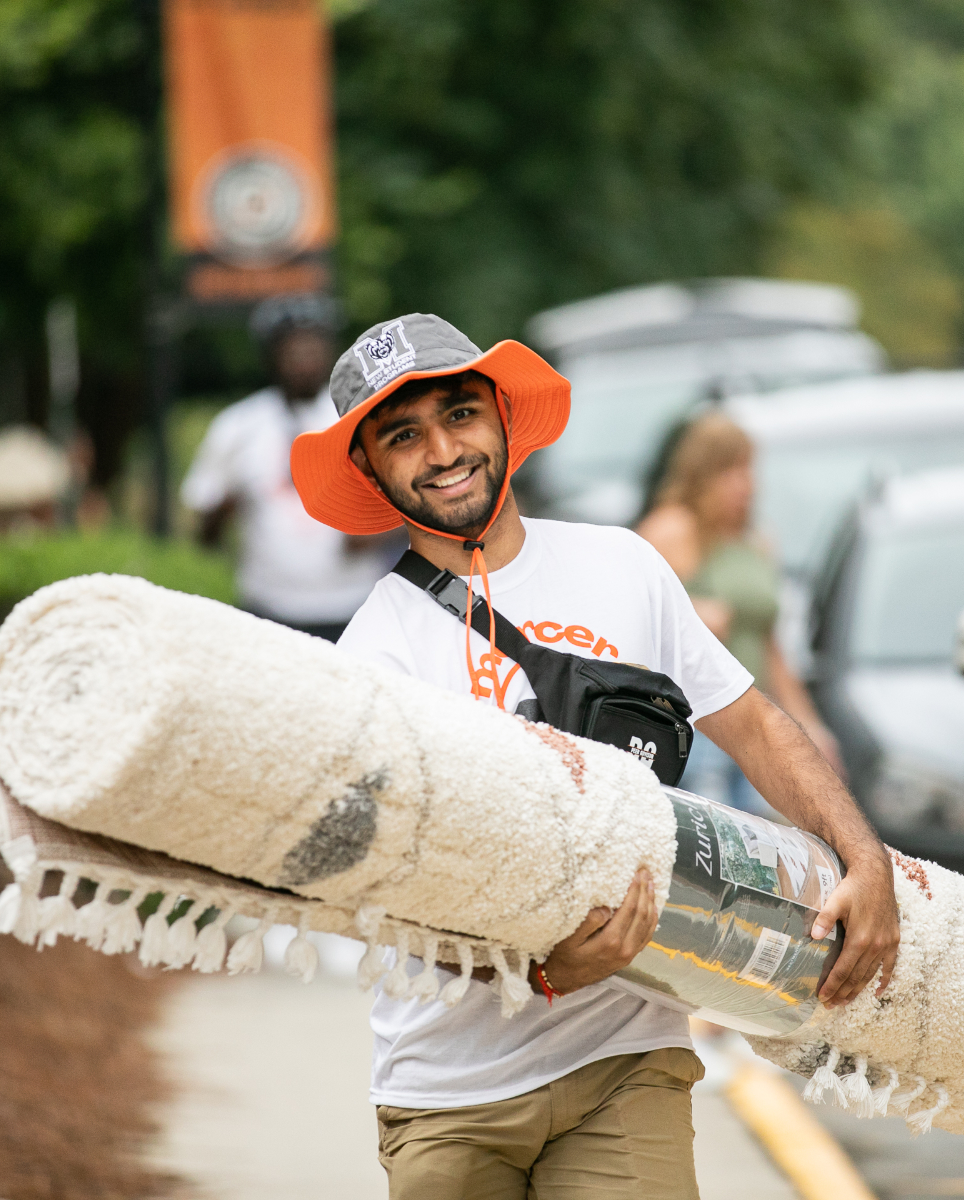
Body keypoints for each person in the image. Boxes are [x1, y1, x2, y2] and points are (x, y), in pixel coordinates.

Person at [290, 313, 901, 1200]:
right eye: (403, 435)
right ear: (371, 468)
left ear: (502, 417)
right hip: (451, 1091)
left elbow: (756, 724)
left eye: (460, 414)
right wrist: (525, 967)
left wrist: (863, 854)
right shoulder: (372, 655)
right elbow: (380, 889)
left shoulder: (624, 567)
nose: (442, 449)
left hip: (625, 1054)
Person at [637, 412, 844, 816]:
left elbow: (771, 647)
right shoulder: (673, 530)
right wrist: (694, 613)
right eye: (730, 471)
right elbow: (633, 611)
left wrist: (809, 726)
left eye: (748, 470)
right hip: (699, 729)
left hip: (755, 724)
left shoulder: (756, 540)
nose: (746, 484)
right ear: (701, 475)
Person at [181, 294, 398, 641]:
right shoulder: (239, 426)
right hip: (267, 609)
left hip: (357, 605)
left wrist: (376, 533)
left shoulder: (362, 418)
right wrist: (222, 511)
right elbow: (204, 533)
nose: (304, 359)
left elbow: (415, 504)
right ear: (270, 356)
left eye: (314, 347)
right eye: (292, 350)